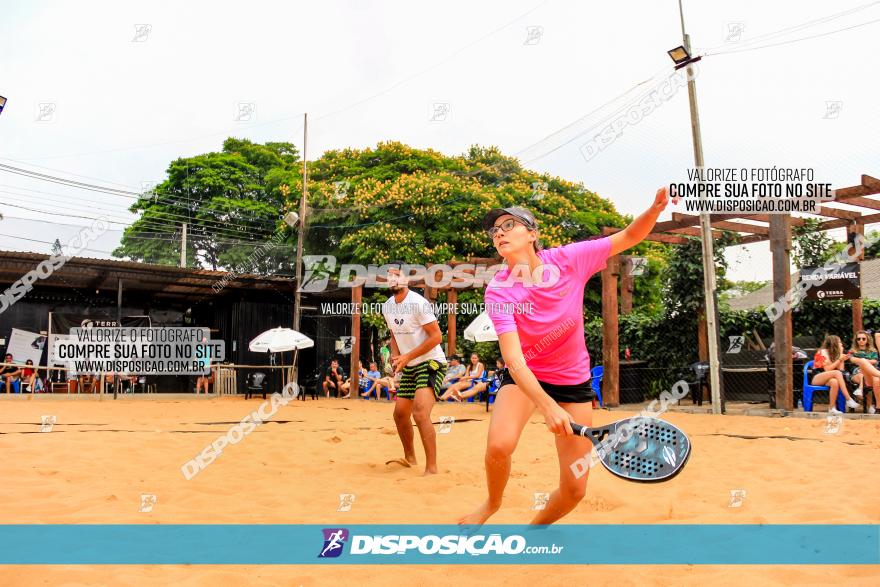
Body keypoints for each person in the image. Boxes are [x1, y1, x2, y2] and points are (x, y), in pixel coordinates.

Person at [459, 189, 680, 527]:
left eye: (507, 225)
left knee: (574, 490)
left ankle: (534, 531)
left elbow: (629, 236)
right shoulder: (499, 289)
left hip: (573, 381)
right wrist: (547, 406)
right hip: (526, 376)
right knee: (499, 446)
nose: (498, 233)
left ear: (532, 234)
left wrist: (654, 210)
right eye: (494, 231)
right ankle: (492, 502)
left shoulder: (569, 259)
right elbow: (513, 359)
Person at [381, 260, 447, 475]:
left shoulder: (418, 303)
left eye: (397, 275)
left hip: (432, 362)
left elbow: (437, 336)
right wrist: (395, 357)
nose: (393, 279)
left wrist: (408, 355)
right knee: (400, 414)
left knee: (420, 413)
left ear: (406, 279)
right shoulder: (387, 306)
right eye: (389, 275)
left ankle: (432, 468)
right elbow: (393, 335)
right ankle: (410, 458)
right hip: (409, 363)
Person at [812, 335, 861, 414]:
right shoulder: (822, 352)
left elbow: (841, 370)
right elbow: (827, 369)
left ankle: (832, 408)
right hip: (817, 378)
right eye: (839, 342)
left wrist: (840, 355)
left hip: (830, 378)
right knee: (836, 373)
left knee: (834, 382)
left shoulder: (834, 353)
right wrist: (839, 359)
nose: (841, 344)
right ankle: (848, 398)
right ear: (834, 343)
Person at [847, 330, 880, 414]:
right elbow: (852, 359)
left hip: (871, 372)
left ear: (867, 339)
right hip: (857, 372)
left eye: (863, 338)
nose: (861, 340)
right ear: (856, 340)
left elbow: (875, 361)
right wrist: (863, 362)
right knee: (862, 365)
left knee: (876, 379)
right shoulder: (852, 351)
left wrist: (863, 362)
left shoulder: (873, 350)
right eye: (858, 339)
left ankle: (878, 408)